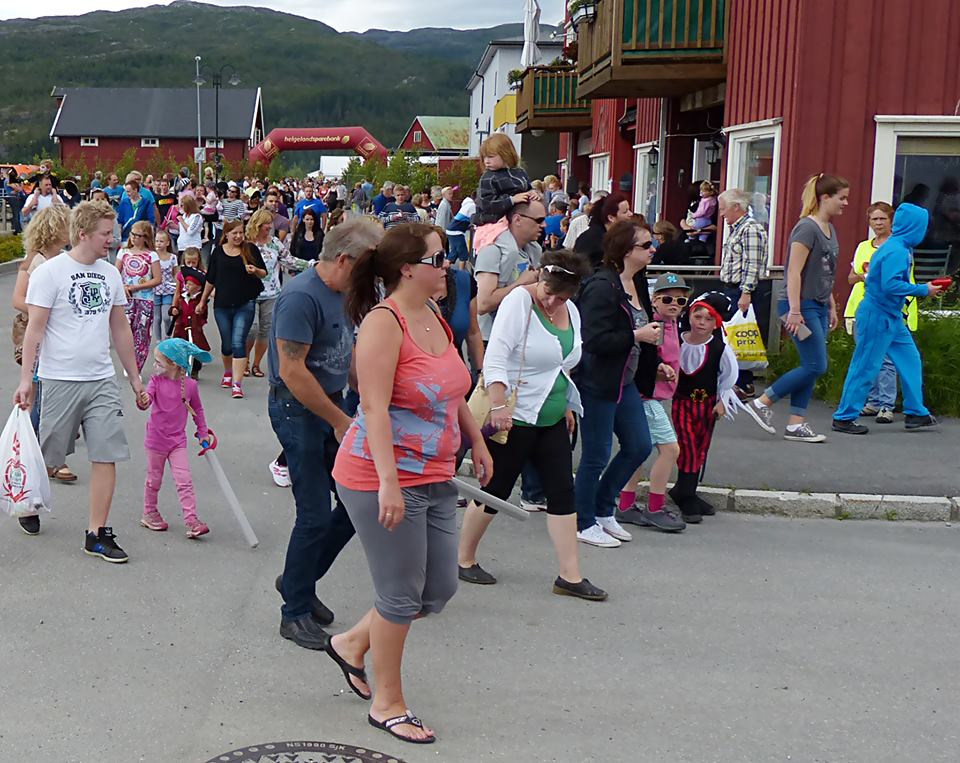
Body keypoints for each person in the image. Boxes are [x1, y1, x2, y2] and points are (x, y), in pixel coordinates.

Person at [328, 222, 492, 745]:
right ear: (408, 269)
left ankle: (353, 643)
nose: (447, 267)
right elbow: (372, 407)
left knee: (437, 588)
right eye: (438, 259)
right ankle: (387, 702)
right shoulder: (385, 322)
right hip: (379, 474)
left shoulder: (435, 315)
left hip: (438, 473)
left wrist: (479, 441)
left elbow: (451, 391)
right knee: (400, 595)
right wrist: (389, 483)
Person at [458, 249, 608, 601]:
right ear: (539, 278)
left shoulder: (569, 310)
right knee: (496, 489)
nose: (553, 300)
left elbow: (563, 362)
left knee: (561, 491)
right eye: (548, 291)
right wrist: (497, 405)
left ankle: (569, 575)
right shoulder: (518, 304)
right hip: (514, 414)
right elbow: (496, 356)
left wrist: (567, 405)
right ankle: (464, 558)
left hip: (551, 414)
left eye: (562, 295)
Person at [267, 217, 384, 649]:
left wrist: (364, 397)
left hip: (333, 404)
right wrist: (338, 421)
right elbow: (293, 372)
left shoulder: (345, 293)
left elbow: (346, 352)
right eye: (369, 266)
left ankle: (298, 579)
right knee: (314, 513)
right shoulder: (300, 297)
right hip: (298, 409)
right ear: (343, 259)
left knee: (356, 504)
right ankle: (293, 612)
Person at [14, 200, 146, 559]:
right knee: (49, 455)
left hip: (101, 379)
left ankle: (97, 532)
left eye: (112, 232)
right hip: (59, 379)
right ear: (83, 234)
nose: (112, 239)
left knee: (107, 454)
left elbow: (120, 327)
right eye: (106, 234)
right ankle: (27, 501)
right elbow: (35, 330)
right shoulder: (50, 273)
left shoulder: (111, 274)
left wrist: (134, 378)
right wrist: (27, 379)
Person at [573, 220, 661, 547]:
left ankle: (602, 509)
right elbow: (592, 339)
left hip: (625, 381)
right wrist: (636, 335)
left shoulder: (637, 281)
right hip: (598, 381)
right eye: (647, 245)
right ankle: (583, 521)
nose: (653, 250)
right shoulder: (601, 286)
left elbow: (644, 333)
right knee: (596, 454)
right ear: (626, 250)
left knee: (639, 444)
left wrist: (659, 362)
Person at [747, 174, 849, 443]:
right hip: (798, 305)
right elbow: (794, 271)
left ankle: (796, 424)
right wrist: (794, 310)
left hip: (816, 303)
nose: (845, 203)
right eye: (842, 198)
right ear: (824, 197)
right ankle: (762, 402)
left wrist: (831, 305)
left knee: (811, 364)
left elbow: (824, 272)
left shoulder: (829, 228)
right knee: (817, 364)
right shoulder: (806, 228)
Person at [832, 204, 945, 435]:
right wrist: (924, 289)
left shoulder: (895, 246)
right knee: (866, 365)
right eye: (922, 227)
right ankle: (844, 417)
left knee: (910, 359)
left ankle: (915, 412)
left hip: (889, 316)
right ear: (915, 227)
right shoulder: (897, 251)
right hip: (878, 315)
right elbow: (891, 285)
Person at [474, 200, 547, 509]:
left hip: (526, 341)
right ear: (517, 219)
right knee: (486, 414)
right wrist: (520, 284)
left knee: (525, 414)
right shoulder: (494, 251)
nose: (544, 225)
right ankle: (479, 482)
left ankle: (532, 488)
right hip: (496, 341)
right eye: (538, 220)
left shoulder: (534, 252)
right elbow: (484, 303)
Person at [617, 273, 691, 532]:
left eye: (681, 301)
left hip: (654, 396)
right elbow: (647, 357)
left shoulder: (673, 325)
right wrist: (659, 369)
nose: (675, 304)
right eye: (668, 299)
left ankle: (626, 504)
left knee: (638, 450)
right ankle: (655, 507)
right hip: (647, 396)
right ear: (654, 300)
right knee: (670, 450)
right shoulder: (656, 325)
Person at [11, 203, 77, 488]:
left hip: (57, 336)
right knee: (40, 397)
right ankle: (38, 455)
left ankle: (47, 455)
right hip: (36, 334)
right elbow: (17, 299)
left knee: (53, 396)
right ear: (55, 229)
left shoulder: (63, 259)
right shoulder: (35, 261)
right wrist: (47, 311)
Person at [668, 292, 744, 523]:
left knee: (700, 447)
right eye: (697, 316)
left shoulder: (719, 348)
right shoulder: (677, 341)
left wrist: (723, 402)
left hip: (707, 405)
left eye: (708, 319)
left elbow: (728, 377)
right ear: (689, 316)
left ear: (716, 323)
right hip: (682, 402)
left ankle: (683, 489)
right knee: (687, 446)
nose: (701, 323)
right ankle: (687, 496)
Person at [138, 338, 213, 539]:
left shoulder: (190, 385)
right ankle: (149, 512)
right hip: (156, 441)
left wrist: (203, 431)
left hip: (177, 442)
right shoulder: (155, 382)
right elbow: (148, 399)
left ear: (174, 364)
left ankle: (191, 519)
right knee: (154, 479)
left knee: (184, 480)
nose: (154, 366)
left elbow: (198, 409)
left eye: (158, 362)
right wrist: (143, 400)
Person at [842, 202, 909, 423]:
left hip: (886, 308)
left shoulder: (899, 246)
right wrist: (863, 276)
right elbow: (851, 277)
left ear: (891, 221)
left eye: (882, 219)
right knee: (866, 357)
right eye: (874, 219)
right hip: (860, 307)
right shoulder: (863, 247)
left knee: (887, 359)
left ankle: (887, 405)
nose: (878, 223)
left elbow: (901, 279)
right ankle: (871, 401)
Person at [197, 219, 267, 398]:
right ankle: (228, 372)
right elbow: (210, 280)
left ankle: (237, 384)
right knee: (227, 344)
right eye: (234, 233)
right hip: (222, 305)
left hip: (246, 303)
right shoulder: (218, 253)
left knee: (238, 342)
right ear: (226, 234)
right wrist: (202, 301)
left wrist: (255, 270)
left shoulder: (250, 249)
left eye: (241, 233)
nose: (238, 236)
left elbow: (263, 273)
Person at [244, 208, 312, 378]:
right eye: (266, 223)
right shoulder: (247, 243)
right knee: (252, 328)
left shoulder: (275, 243)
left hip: (272, 293)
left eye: (271, 223)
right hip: (250, 293)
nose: (270, 226)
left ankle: (256, 364)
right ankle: (243, 360)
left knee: (265, 330)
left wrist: (311, 265)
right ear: (257, 224)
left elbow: (290, 261)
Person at [717, 188, 770, 397]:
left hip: (741, 289)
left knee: (741, 334)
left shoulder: (750, 229)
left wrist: (746, 293)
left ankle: (744, 382)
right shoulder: (736, 228)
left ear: (736, 207)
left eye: (723, 209)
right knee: (734, 334)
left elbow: (752, 263)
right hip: (731, 287)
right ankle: (737, 380)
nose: (722, 214)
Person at [471, 133, 535, 252]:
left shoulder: (519, 172)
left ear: (505, 154)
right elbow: (487, 204)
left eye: (490, 157)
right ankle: (505, 271)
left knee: (535, 248)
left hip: (516, 221)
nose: (486, 161)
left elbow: (528, 188)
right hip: (494, 223)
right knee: (511, 251)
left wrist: (533, 193)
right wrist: (512, 200)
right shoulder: (488, 177)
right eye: (484, 157)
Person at [117, 221, 162, 372]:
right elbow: (116, 273)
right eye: (132, 234)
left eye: (138, 235)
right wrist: (122, 286)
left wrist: (138, 287)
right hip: (126, 299)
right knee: (126, 332)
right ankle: (127, 362)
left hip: (145, 299)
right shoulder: (123, 252)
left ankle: (136, 367)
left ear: (146, 237)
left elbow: (157, 279)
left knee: (142, 334)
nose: (134, 238)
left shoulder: (152, 255)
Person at [574, 192, 633, 270]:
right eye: (625, 212)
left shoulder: (614, 235)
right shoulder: (593, 240)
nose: (631, 214)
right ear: (611, 218)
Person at [153, 229, 179, 340]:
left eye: (161, 241)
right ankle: (159, 340)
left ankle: (168, 336)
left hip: (168, 290)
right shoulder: (152, 256)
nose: (158, 243)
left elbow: (176, 274)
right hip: (155, 290)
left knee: (166, 316)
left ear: (167, 243)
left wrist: (179, 286)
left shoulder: (173, 257)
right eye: (157, 241)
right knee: (157, 318)